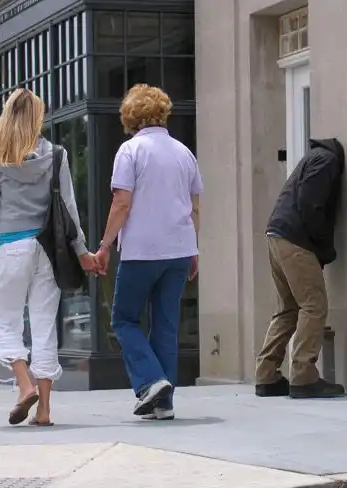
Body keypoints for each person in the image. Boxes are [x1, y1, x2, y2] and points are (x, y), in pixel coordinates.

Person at [0, 88, 97, 426]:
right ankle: (44, 411)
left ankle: (25, 385)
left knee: (4, 319)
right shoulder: (56, 155)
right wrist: (82, 251)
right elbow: (69, 210)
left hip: (13, 248)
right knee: (44, 324)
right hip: (48, 251)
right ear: (37, 117)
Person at [95, 84, 202, 420]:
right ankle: (164, 404)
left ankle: (151, 381)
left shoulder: (130, 151)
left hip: (142, 250)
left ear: (131, 116)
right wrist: (194, 249)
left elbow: (121, 202)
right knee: (166, 325)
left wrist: (104, 245)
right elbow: (195, 207)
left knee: (124, 319)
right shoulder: (184, 153)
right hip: (179, 249)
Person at [255, 138, 346, 399]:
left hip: (278, 235)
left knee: (288, 308)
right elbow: (310, 204)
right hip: (295, 238)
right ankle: (304, 375)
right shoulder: (327, 161)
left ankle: (267, 374)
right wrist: (324, 247)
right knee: (314, 305)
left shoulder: (314, 158)